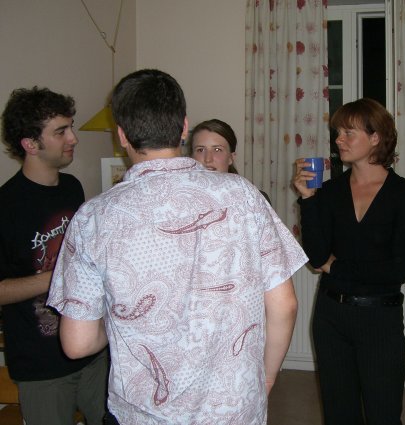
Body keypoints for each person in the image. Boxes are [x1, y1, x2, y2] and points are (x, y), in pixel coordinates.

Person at [46, 69, 308, 424]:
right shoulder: (244, 196)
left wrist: (127, 317)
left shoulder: (93, 218)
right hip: (234, 410)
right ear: (184, 127)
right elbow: (285, 305)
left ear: (121, 136)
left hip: (144, 415)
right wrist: (268, 376)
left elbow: (77, 344)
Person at [292, 98, 405, 425]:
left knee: (383, 414)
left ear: (375, 137)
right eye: (338, 132)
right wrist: (307, 198)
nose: (339, 139)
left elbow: (398, 270)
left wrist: (337, 267)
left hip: (380, 319)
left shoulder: (402, 194)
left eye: (349, 132)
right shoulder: (329, 191)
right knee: (339, 414)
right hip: (331, 317)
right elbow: (316, 256)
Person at [0, 87, 108, 424]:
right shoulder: (6, 206)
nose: (73, 138)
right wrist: (56, 276)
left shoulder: (73, 188)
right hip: (41, 368)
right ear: (30, 144)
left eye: (70, 127)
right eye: (61, 132)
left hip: (92, 352)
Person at [190, 118, 271, 203]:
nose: (208, 159)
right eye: (200, 150)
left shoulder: (255, 200)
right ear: (191, 156)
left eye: (217, 150)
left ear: (231, 158)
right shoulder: (182, 198)